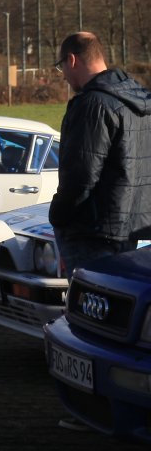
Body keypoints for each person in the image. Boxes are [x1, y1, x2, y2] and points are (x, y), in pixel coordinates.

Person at [49, 31, 151, 273]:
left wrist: (58, 217)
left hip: (92, 230)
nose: (63, 75)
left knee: (89, 294)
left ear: (72, 60)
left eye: (61, 66)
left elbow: (81, 175)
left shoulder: (92, 104)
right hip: (131, 226)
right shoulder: (138, 99)